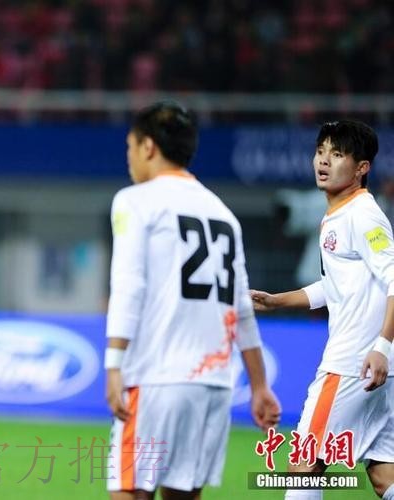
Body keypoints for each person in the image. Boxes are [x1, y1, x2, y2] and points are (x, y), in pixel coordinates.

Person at [105, 101, 281, 500]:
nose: (129, 156)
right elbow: (241, 308)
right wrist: (258, 385)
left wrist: (114, 363)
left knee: (129, 490)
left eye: (130, 146)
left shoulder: (136, 200)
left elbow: (128, 284)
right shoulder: (223, 214)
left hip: (157, 377)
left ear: (148, 146)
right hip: (213, 386)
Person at [252, 120, 394, 500]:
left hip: (354, 362)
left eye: (337, 154)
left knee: (304, 465)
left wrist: (382, 345)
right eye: (320, 151)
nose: (324, 161)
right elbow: (335, 287)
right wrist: (277, 300)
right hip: (376, 366)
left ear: (362, 167)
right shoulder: (338, 214)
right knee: (384, 475)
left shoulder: (362, 215)